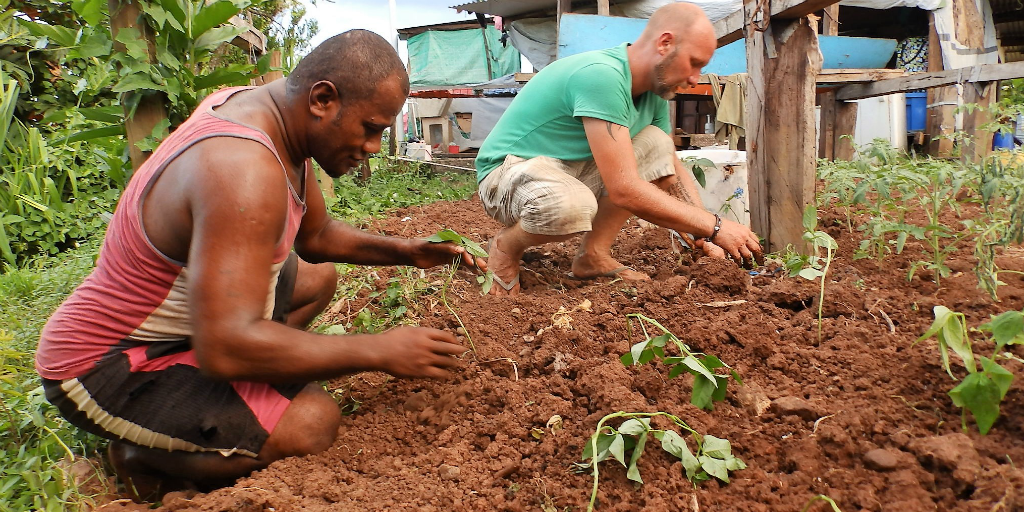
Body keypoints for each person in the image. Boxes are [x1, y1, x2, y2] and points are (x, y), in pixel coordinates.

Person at [34, 30, 482, 501]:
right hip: (105, 364)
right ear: (323, 99)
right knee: (312, 424)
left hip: (184, 331)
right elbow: (224, 349)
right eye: (370, 128)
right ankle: (139, 458)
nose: (373, 146)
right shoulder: (241, 169)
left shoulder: (269, 117)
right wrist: (378, 350)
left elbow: (317, 237)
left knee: (314, 277)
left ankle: (235, 395)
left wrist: (408, 251)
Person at [476, 2, 763, 295]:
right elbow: (624, 188)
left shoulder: (653, 94)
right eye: (694, 62)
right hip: (507, 174)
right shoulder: (603, 76)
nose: (694, 78)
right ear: (665, 43)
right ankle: (504, 248)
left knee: (657, 143)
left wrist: (705, 235)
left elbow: (667, 169)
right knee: (571, 207)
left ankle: (592, 256)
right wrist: (716, 226)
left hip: (568, 172)